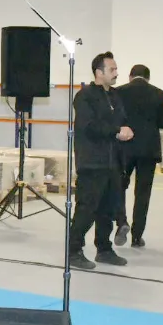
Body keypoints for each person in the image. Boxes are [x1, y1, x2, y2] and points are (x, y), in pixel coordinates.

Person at [69, 51, 134, 270]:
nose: (116, 73)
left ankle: (104, 249)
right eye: (112, 69)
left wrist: (125, 130)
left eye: (116, 69)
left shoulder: (115, 96)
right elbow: (89, 126)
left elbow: (121, 119)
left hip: (113, 162)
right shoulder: (85, 96)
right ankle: (73, 250)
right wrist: (116, 130)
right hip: (92, 162)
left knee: (107, 209)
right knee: (87, 208)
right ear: (99, 72)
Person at [113, 64, 163, 248]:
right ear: (148, 78)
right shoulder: (159, 94)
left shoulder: (119, 92)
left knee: (119, 186)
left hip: (125, 148)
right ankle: (137, 236)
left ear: (130, 77)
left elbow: (114, 120)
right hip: (148, 150)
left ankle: (122, 222)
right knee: (143, 193)